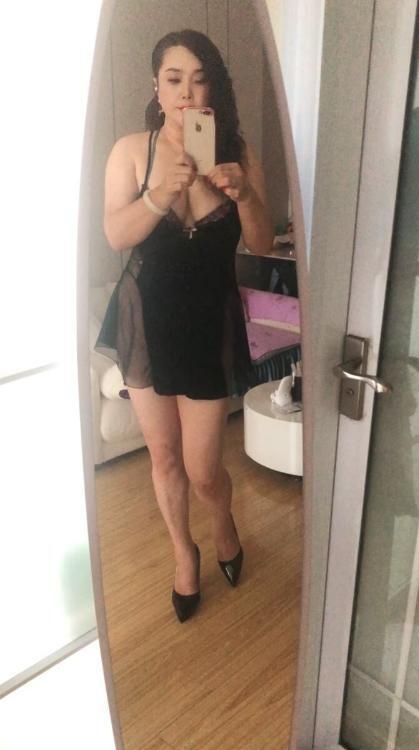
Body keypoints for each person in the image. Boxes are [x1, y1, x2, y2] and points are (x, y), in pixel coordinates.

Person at [100, 29, 274, 622]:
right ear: (157, 87)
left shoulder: (237, 153)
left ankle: (222, 521)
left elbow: (261, 241)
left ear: (212, 90)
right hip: (145, 320)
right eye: (174, 79)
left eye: (199, 81)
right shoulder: (131, 151)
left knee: (204, 470)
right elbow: (115, 234)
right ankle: (184, 552)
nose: (186, 93)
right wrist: (157, 195)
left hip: (208, 322)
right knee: (165, 459)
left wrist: (244, 193)